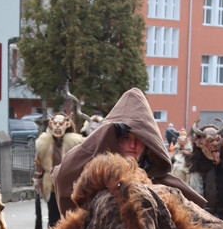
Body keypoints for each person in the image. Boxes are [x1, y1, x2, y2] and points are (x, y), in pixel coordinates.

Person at [52, 88, 207, 215]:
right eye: (125, 138)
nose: (133, 145)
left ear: (149, 143)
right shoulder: (94, 177)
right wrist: (101, 134)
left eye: (139, 139)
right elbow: (62, 176)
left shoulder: (163, 184)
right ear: (113, 138)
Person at [170, 118, 223, 226]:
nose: (215, 144)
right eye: (210, 140)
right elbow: (174, 194)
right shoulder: (185, 164)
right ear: (199, 142)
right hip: (194, 223)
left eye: (217, 140)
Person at [32, 113, 83, 229]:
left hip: (70, 187)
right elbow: (39, 162)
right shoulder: (44, 143)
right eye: (56, 124)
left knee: (70, 217)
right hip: (52, 187)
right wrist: (37, 179)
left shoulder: (76, 142)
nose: (58, 127)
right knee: (53, 219)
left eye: (61, 124)